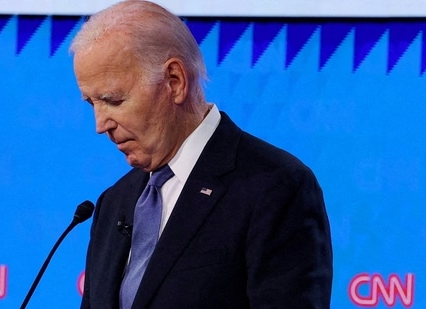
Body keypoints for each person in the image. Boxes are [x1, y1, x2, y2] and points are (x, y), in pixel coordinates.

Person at [69, 0, 333, 308]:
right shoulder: (114, 202)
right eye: (91, 103)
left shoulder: (275, 187)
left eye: (113, 100)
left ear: (175, 81)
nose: (100, 125)